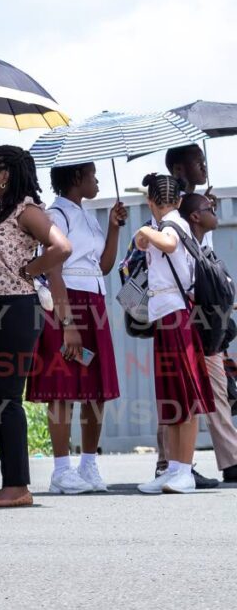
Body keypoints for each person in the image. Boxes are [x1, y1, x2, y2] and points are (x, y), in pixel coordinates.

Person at [0, 145, 72, 507]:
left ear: (5, 175)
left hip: (15, 309)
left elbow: (61, 247)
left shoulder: (27, 211)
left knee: (5, 399)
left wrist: (30, 270)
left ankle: (17, 486)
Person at [26, 162, 127, 494]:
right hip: (67, 299)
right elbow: (52, 265)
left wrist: (113, 228)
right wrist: (66, 321)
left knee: (96, 387)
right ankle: (60, 469)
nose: (96, 180)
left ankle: (88, 464)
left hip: (95, 299)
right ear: (76, 178)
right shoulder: (56, 215)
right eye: (92, 175)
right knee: (63, 384)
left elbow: (105, 265)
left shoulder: (88, 217)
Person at [135, 174, 216, 494]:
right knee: (171, 395)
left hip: (178, 317)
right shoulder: (167, 224)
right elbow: (148, 246)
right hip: (166, 317)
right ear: (179, 199)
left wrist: (144, 230)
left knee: (186, 394)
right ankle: (173, 469)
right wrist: (145, 236)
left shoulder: (172, 225)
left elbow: (167, 242)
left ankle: (183, 470)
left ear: (151, 202)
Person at [179, 193, 237, 483]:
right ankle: (172, 463)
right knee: (179, 395)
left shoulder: (202, 240)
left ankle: (232, 461)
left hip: (210, 326)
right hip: (184, 325)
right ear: (194, 216)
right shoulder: (174, 235)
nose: (214, 210)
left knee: (219, 391)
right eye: (209, 208)